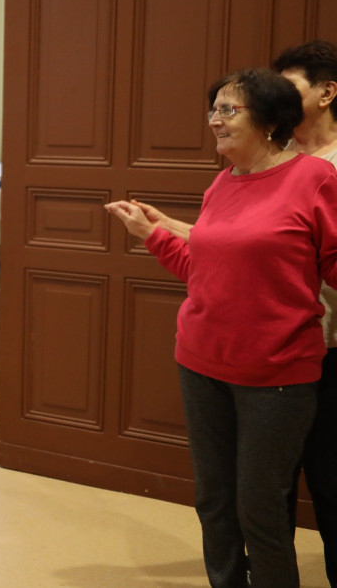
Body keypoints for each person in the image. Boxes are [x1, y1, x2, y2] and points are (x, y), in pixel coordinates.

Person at [105, 68, 337, 587]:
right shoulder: (223, 183)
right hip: (200, 362)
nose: (214, 120)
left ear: (271, 120)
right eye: (213, 109)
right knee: (213, 500)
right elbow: (202, 271)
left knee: (261, 508)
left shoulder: (315, 179)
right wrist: (152, 234)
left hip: (277, 374)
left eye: (228, 109)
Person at [273, 41, 337, 584]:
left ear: (327, 92)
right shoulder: (271, 158)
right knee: (268, 487)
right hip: (277, 350)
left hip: (332, 348)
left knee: (331, 482)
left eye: (289, 87)